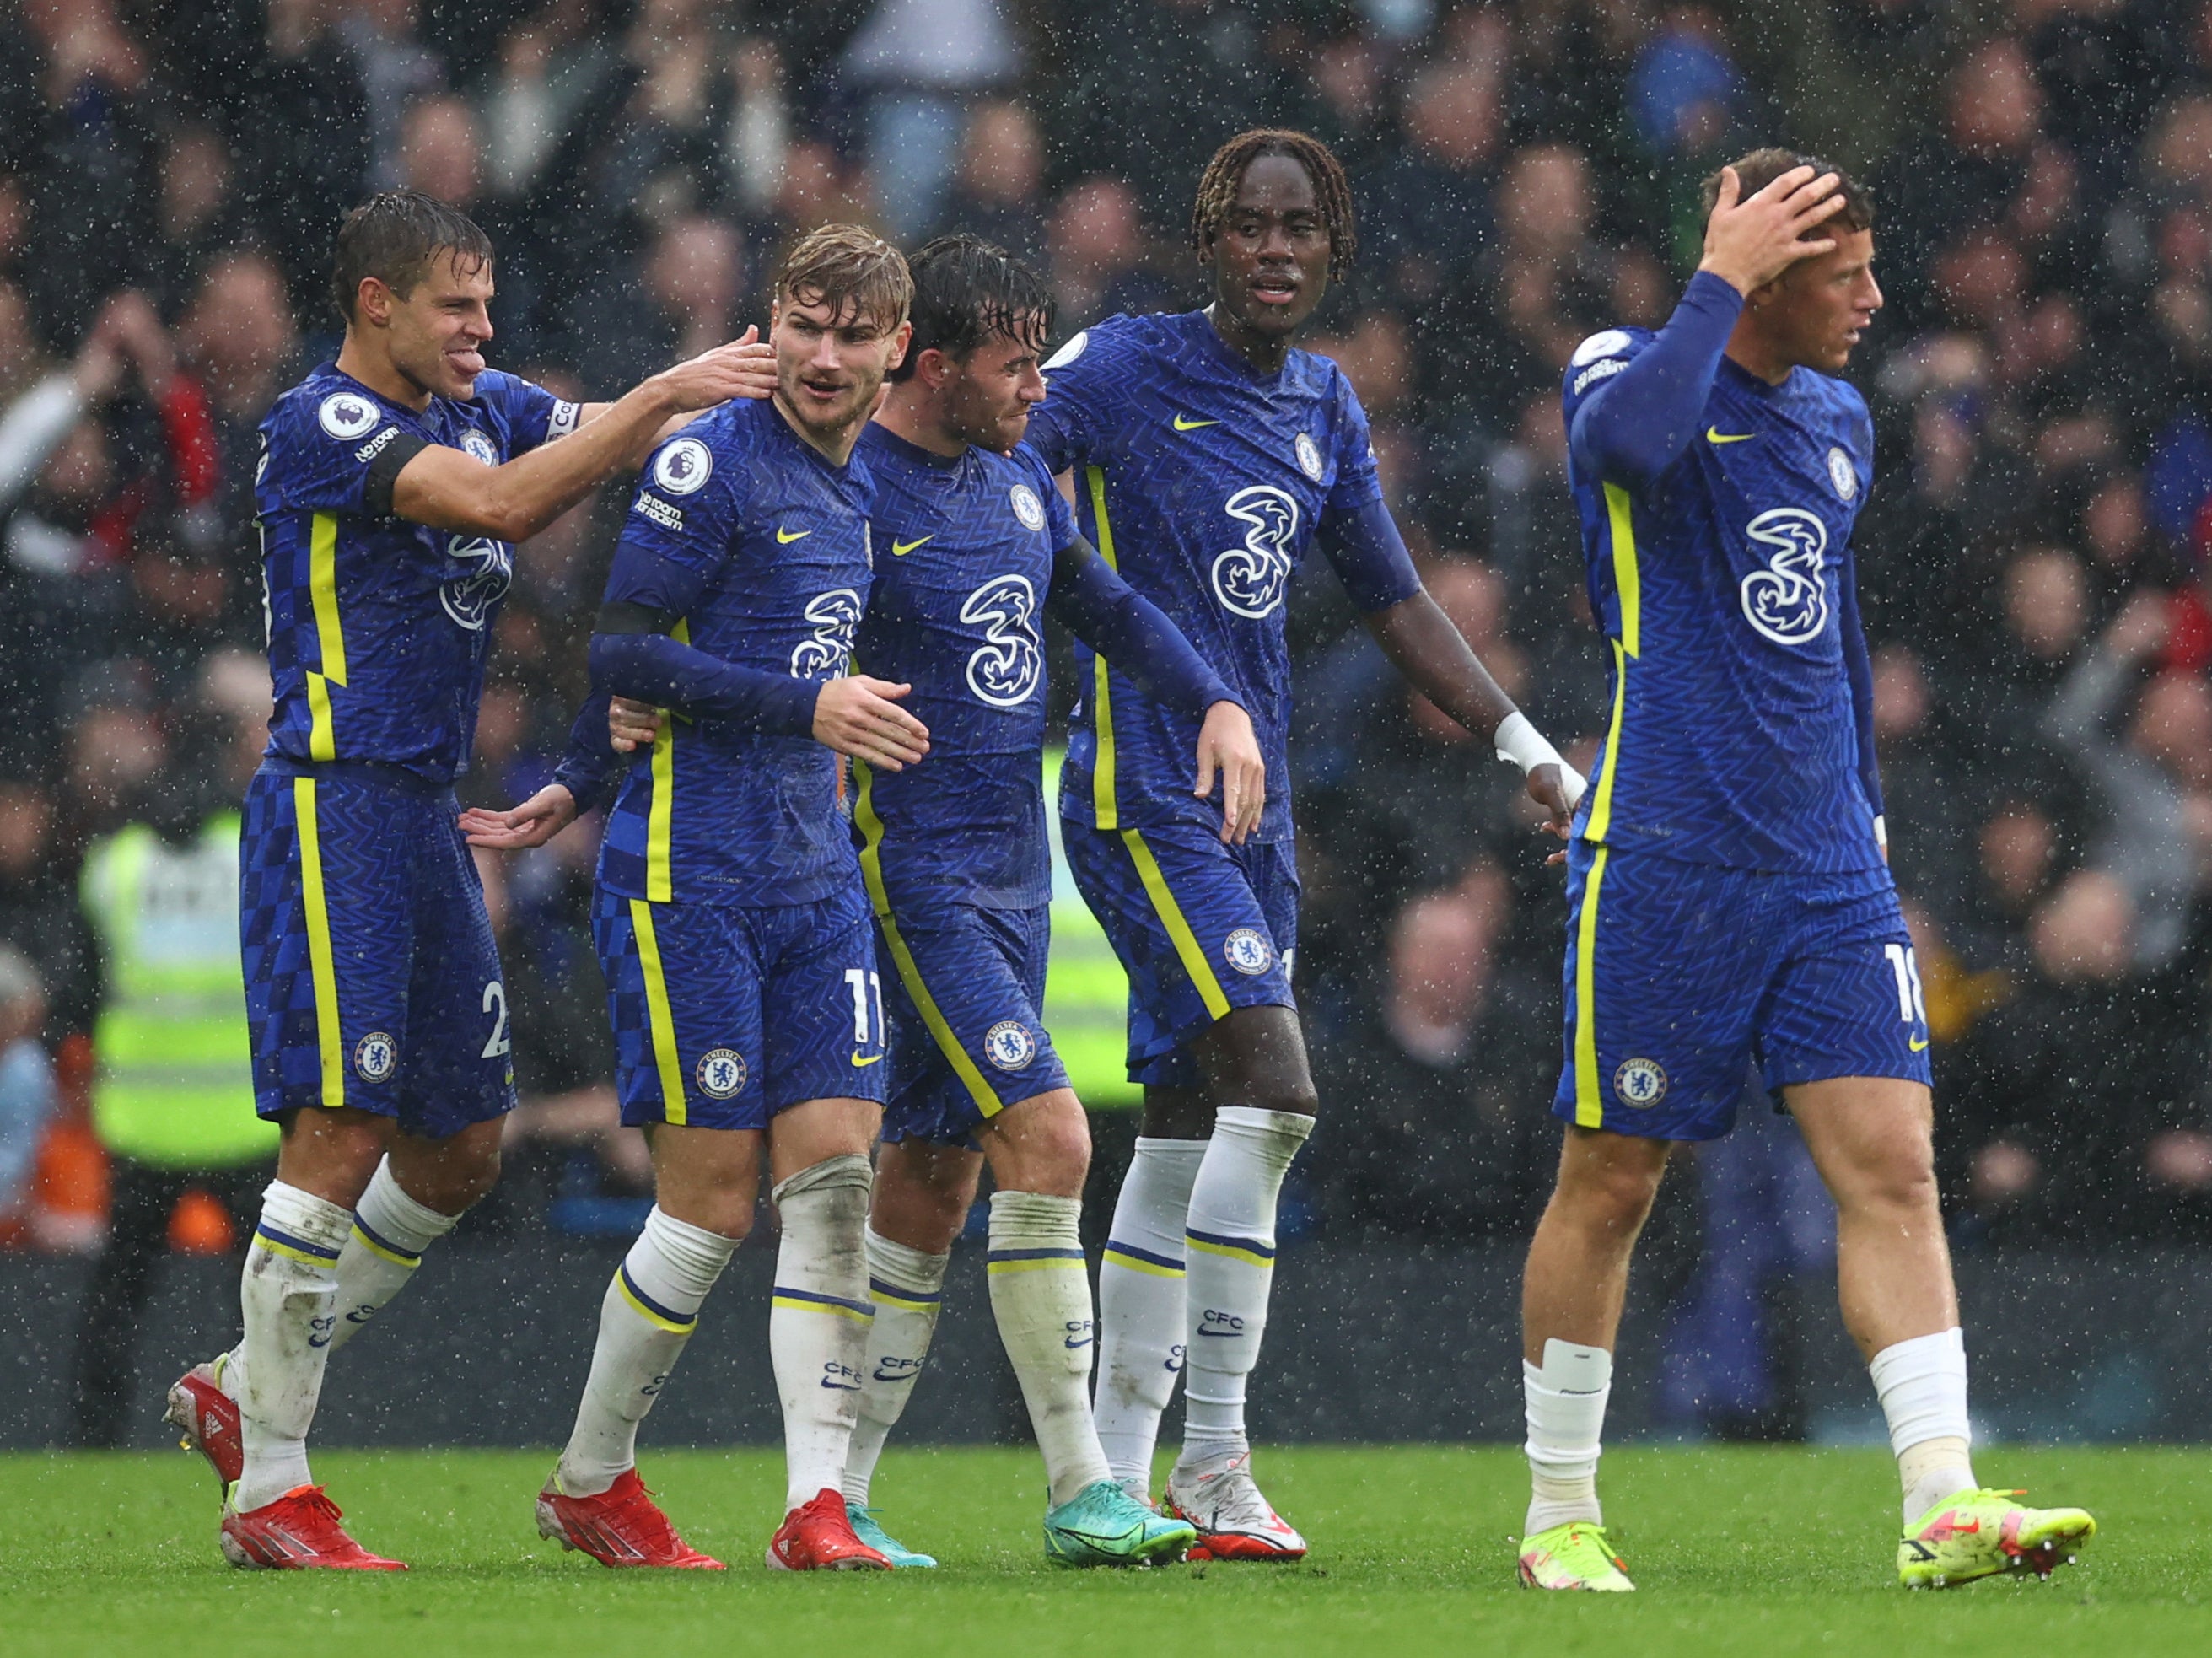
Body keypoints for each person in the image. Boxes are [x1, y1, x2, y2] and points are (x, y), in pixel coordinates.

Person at [162, 189, 773, 1571]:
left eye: (487, 306)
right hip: (331, 807)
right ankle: (272, 1488)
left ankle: (233, 1386)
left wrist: (773, 393)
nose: (481, 329)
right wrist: (670, 386)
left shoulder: (480, 397)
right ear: (373, 302)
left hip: (426, 818)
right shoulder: (321, 424)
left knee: (458, 1149)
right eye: (455, 305)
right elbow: (508, 502)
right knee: (335, 1132)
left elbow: (622, 435)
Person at [1519, 148, 2094, 1592]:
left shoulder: (1838, 416)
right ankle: (1558, 1513)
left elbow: (1829, 629)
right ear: (1760, 278)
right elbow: (1629, 455)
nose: (1874, 302)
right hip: (1665, 851)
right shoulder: (1623, 369)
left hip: (1825, 868)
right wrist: (1710, 276)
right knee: (1610, 1178)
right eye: (1843, 278)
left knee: (1893, 1168)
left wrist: (1872, 821)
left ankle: (1938, 1499)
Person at [1022, 128, 1581, 1559]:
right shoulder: (1121, 367)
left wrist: (1520, 742)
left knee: (1188, 1124)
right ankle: (1214, 1460)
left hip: (1248, 806)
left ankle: (1117, 1484)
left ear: (1329, 251)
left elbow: (1393, 601)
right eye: (1250, 225)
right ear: (1208, 238)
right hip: (1136, 783)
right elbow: (996, 481)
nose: (1274, 250)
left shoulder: (1324, 403)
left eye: (1300, 229)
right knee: (1276, 1092)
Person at [463, 225, 918, 1574]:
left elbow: (661, 678)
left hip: (812, 875)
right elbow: (623, 645)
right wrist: (790, 711)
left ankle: (816, 1505)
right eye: (801, 324)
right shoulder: (706, 456)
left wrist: (577, 766)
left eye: (852, 334)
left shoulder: (858, 491)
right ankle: (590, 1476)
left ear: (898, 350)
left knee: (839, 1180)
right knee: (713, 1204)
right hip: (687, 878)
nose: (822, 356)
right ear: (767, 322)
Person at [830, 234, 1252, 1569]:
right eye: (1014, 367)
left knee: (930, 1180)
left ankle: (829, 1492)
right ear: (933, 363)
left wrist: (1214, 696)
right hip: (912, 875)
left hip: (1014, 875)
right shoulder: (846, 487)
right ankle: (1082, 1483)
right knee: (1055, 1141)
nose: (1036, 390)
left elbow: (1107, 603)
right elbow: (757, 644)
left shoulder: (1015, 476)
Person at [70, 715, 277, 1448]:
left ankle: (91, 1439)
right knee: (264, 1301)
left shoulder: (112, 867)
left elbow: (82, 988)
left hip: (143, 1122)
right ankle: (269, 1432)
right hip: (240, 1117)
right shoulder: (247, 851)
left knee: (118, 1300)